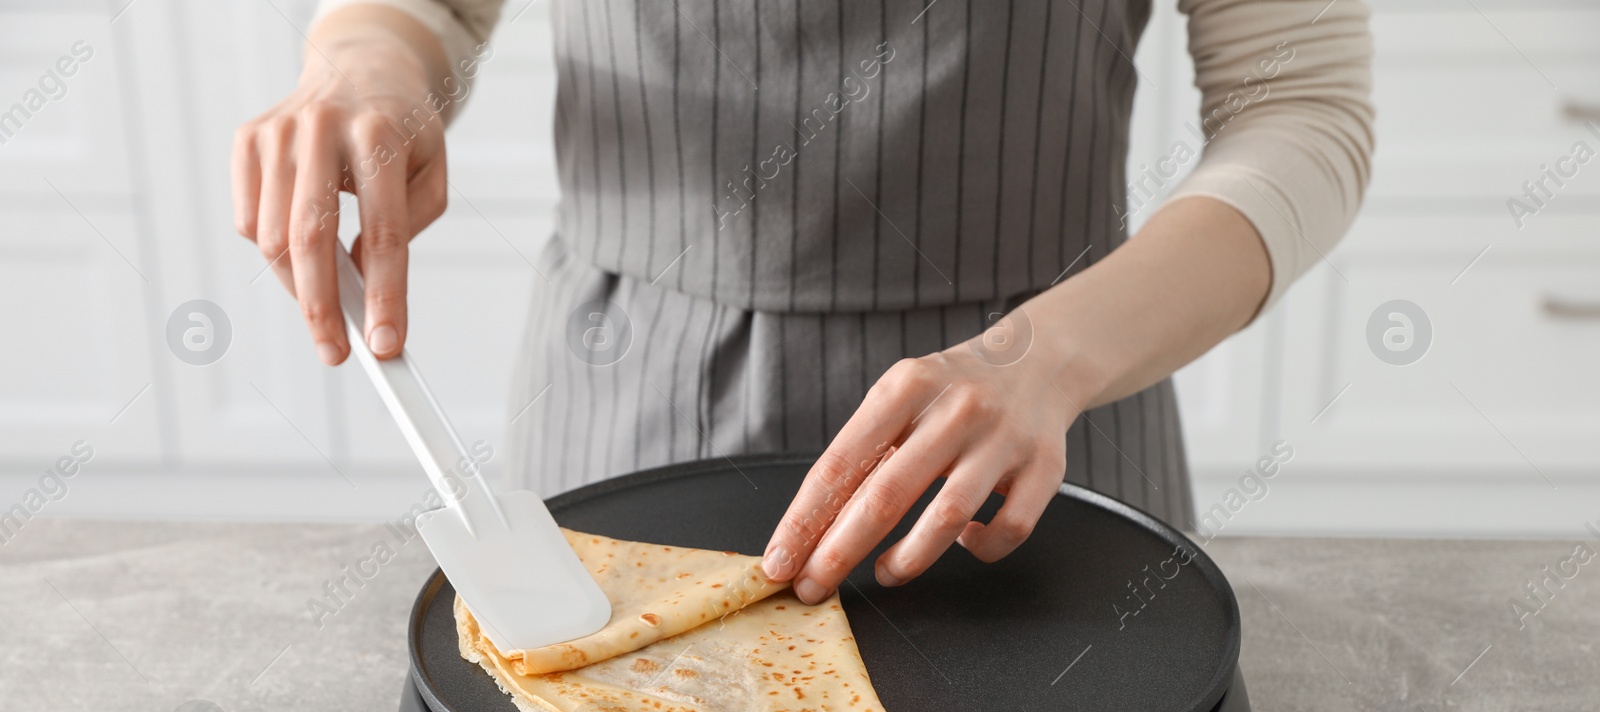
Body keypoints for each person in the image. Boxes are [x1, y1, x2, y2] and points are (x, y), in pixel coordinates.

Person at [233, 0, 1372, 605]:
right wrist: (363, 59)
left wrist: (1050, 355)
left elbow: (1301, 107)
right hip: (629, 393)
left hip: (1038, 433)